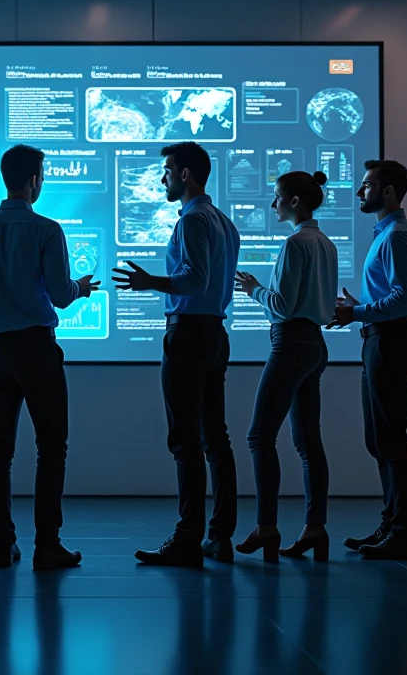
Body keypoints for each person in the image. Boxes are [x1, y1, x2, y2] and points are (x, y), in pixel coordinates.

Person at [0, 144, 100, 571]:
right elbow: (60, 296)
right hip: (37, 349)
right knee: (51, 448)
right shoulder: (47, 230)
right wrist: (80, 287)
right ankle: (47, 544)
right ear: (35, 180)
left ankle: (3, 543)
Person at [112, 141, 241, 568]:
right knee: (215, 440)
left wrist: (152, 283)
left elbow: (195, 280)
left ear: (186, 174)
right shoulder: (224, 221)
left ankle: (187, 540)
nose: (162, 177)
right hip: (215, 336)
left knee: (186, 443)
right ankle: (219, 537)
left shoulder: (192, 221)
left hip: (187, 336)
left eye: (167, 170)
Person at [234, 170, 336, 562]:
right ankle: (315, 528)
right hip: (315, 345)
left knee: (260, 437)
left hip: (290, 343)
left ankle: (266, 527)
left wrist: (253, 289)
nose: (272, 204)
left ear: (294, 201)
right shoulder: (325, 243)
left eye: (276, 196)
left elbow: (282, 305)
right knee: (310, 442)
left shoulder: (296, 243)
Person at [330, 159, 407, 561]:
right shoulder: (388, 234)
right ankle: (391, 525)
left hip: (390, 340)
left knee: (390, 441)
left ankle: (402, 534)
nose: (359, 192)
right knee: (379, 440)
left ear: (388, 191)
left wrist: (356, 313)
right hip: (380, 336)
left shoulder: (397, 236)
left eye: (367, 185)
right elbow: (396, 296)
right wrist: (363, 306)